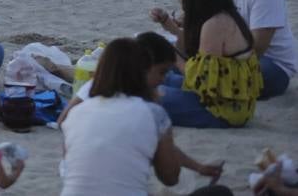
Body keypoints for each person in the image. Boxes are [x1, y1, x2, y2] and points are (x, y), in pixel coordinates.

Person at [59, 37, 227, 196]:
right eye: (161, 73)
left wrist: (197, 167)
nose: (162, 80)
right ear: (143, 72)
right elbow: (170, 177)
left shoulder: (76, 114)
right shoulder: (152, 113)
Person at [153, 0, 261, 128]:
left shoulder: (215, 24)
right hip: (228, 100)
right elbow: (195, 54)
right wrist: (169, 25)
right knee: (155, 77)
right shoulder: (222, 14)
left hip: (221, 109)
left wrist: (170, 52)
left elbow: (199, 79)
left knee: (147, 95)